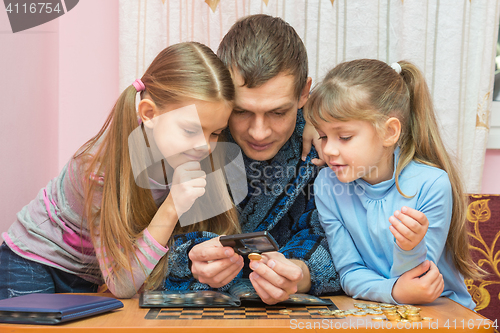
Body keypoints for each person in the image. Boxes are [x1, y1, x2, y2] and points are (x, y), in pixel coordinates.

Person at [0, 42, 240, 300]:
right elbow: (122, 284)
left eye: (215, 133)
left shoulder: (184, 154)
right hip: (34, 261)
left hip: (90, 274)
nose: (205, 146)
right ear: (149, 114)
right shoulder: (99, 168)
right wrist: (172, 206)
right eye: (191, 130)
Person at [162, 14, 341, 305]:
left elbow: (339, 238)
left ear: (304, 93)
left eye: (278, 112)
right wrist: (190, 260)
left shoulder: (327, 147)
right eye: (242, 111)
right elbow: (146, 238)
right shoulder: (194, 140)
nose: (259, 132)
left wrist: (300, 273)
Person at [305, 59, 483, 309]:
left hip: (442, 310)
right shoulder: (327, 185)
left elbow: (420, 284)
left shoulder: (431, 185)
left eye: (344, 137)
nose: (329, 149)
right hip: (381, 308)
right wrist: (394, 291)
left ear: (389, 132)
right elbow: (349, 273)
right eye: (323, 136)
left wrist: (410, 248)